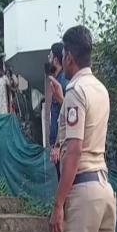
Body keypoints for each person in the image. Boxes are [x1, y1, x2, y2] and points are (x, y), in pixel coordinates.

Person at [49, 25, 115, 232]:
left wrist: (58, 205)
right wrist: (63, 99)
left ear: (69, 57)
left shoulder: (76, 92)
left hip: (83, 193)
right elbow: (86, 131)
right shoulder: (100, 89)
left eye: (62, 54)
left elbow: (75, 150)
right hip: (105, 191)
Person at [47, 42, 69, 178]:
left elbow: (64, 116)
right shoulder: (58, 80)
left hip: (61, 146)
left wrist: (58, 145)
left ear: (56, 60)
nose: (48, 60)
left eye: (50, 56)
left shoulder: (62, 82)